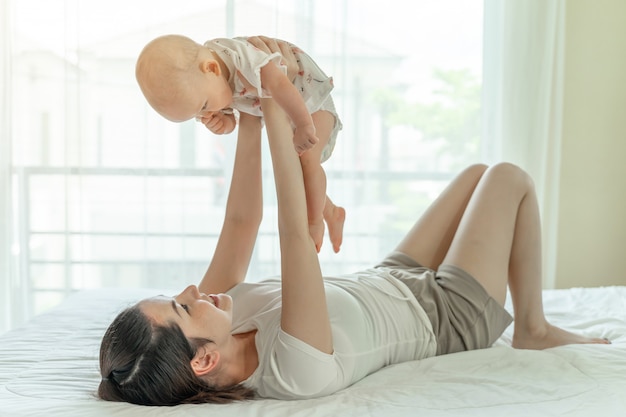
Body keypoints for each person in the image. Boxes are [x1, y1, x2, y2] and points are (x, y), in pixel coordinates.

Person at [100, 44, 610, 407]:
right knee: (508, 177)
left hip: (391, 278)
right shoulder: (294, 372)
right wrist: (274, 102)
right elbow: (296, 231)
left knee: (476, 175)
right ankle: (533, 329)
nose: (194, 289)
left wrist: (246, 108)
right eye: (182, 306)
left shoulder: (217, 319)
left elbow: (240, 221)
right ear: (204, 363)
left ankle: (532, 324)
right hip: (448, 317)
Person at [135, 34, 345, 253]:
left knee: (308, 162)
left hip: (311, 101)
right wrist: (221, 123)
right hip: (289, 113)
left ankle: (315, 222)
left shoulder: (241, 57)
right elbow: (231, 122)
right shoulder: (208, 85)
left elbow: (279, 84)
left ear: (212, 69)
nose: (205, 114)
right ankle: (330, 211)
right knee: (298, 175)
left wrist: (303, 125)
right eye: (197, 114)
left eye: (204, 106)